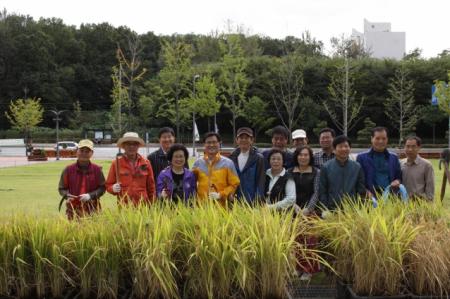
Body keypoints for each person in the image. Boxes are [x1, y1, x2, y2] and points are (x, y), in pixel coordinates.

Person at [58, 139, 105, 220]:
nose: (84, 153)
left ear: (92, 153)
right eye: (81, 150)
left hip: (93, 210)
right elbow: (61, 188)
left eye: (87, 151)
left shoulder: (97, 170)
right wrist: (67, 195)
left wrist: (90, 195)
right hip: (73, 211)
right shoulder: (68, 170)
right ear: (77, 151)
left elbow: (102, 188)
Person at [106, 132, 156, 206]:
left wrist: (152, 204)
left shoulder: (146, 163)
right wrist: (112, 188)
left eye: (135, 144)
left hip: (144, 206)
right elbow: (108, 185)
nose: (131, 146)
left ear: (138, 146)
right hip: (124, 207)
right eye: (128, 144)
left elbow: (151, 187)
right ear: (123, 146)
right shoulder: (116, 163)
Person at [192, 132, 240, 206]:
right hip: (201, 207)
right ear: (204, 144)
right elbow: (191, 182)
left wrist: (220, 194)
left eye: (214, 142)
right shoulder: (198, 163)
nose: (211, 145)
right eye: (208, 142)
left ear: (219, 143)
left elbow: (234, 184)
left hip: (222, 208)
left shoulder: (228, 163)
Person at [319, 135, 366, 211]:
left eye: (346, 146)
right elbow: (322, 190)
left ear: (350, 149)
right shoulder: (326, 167)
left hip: (352, 209)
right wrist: (325, 208)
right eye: (340, 146)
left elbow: (361, 189)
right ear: (334, 150)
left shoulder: (357, 167)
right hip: (332, 209)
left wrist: (360, 207)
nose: (344, 149)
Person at [356, 127, 402, 196]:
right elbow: (359, 180)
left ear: (387, 140)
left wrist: (397, 181)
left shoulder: (393, 158)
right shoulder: (361, 158)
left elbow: (399, 177)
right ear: (372, 139)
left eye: (384, 139)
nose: (381, 141)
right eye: (377, 138)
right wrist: (365, 192)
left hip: (390, 196)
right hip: (369, 197)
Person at [229, 127, 265, 204]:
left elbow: (260, 181)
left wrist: (257, 200)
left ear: (252, 140)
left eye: (247, 137)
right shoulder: (232, 157)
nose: (244, 140)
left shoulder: (258, 158)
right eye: (241, 137)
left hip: (251, 201)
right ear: (237, 140)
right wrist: (230, 193)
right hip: (234, 200)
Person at [401, 135, 435, 201]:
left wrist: (429, 202)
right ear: (404, 147)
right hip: (402, 202)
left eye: (413, 147)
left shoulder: (426, 165)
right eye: (407, 146)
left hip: (420, 203)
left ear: (419, 148)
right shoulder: (400, 163)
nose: (410, 149)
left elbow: (430, 187)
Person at [289, 146, 320, 216]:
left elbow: (316, 192)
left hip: (311, 212)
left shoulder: (317, 172)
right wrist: (293, 205)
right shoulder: (289, 172)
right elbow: (286, 192)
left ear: (310, 157)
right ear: (296, 156)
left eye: (306, 155)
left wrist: (308, 209)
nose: (303, 157)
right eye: (300, 155)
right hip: (291, 209)